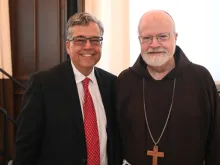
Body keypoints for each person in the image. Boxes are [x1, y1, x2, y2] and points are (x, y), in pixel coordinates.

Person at [13, 12, 119, 165]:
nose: (88, 46)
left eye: (95, 40)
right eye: (80, 40)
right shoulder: (43, 84)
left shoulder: (112, 83)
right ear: (68, 46)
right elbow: (26, 147)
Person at [116, 10, 220, 165]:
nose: (154, 44)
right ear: (139, 40)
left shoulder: (200, 79)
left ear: (175, 37)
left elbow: (216, 136)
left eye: (162, 37)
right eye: (147, 38)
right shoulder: (125, 81)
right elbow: (114, 137)